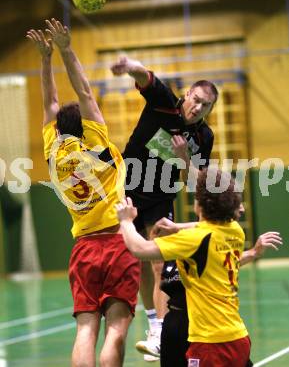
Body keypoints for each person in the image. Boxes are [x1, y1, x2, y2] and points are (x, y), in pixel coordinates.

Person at [26, 19, 140, 367]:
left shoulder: (54, 154)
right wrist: (65, 49)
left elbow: (50, 104)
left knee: (85, 331)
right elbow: (86, 93)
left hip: (84, 248)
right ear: (86, 126)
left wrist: (44, 61)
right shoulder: (98, 146)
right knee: (116, 331)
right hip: (119, 242)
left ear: (58, 130)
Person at [111, 56, 218, 360]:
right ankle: (151, 321)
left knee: (158, 260)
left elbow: (198, 181)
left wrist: (184, 156)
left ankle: (158, 332)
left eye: (205, 106)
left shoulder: (203, 137)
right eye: (196, 100)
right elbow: (145, 76)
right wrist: (127, 64)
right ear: (187, 96)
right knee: (139, 261)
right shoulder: (165, 103)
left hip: (161, 195)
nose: (197, 108)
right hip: (129, 187)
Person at [116, 168, 261, 367]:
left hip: (210, 341)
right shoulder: (235, 231)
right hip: (237, 334)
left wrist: (126, 221)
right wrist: (177, 227)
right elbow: (204, 227)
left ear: (199, 204)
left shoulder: (192, 240)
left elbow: (139, 249)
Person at [150, 211, 283, 366]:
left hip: (207, 324)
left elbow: (229, 261)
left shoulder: (216, 237)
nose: (241, 210)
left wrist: (253, 253)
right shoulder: (179, 244)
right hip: (176, 326)